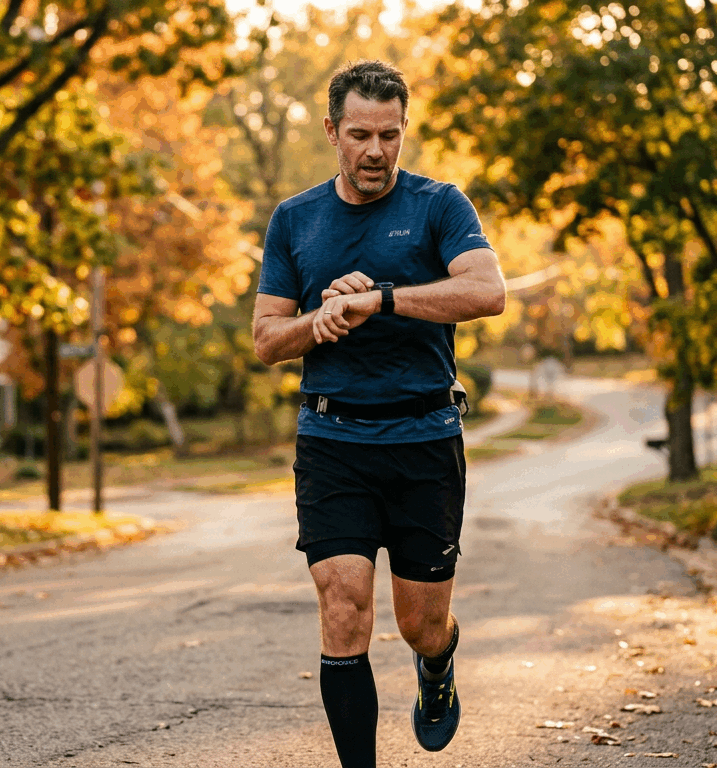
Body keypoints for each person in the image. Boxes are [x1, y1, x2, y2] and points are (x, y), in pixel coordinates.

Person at [252, 60, 506, 767]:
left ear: (403, 131)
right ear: (332, 131)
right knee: (343, 607)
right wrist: (320, 321)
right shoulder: (295, 219)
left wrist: (382, 299)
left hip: (424, 435)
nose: (375, 151)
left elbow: (488, 292)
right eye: (360, 134)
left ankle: (437, 662)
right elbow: (267, 339)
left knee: (419, 623)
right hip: (332, 440)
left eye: (389, 135)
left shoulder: (439, 206)